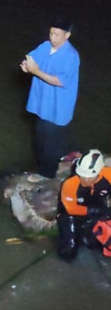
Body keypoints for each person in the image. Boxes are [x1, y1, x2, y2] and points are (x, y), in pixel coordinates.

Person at [20, 17, 80, 178]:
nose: (52, 37)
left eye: (57, 34)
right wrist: (26, 65)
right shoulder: (45, 47)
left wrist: (36, 71)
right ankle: (41, 167)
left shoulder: (71, 56)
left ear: (67, 35)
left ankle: (47, 175)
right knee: (40, 138)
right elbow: (32, 58)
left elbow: (60, 81)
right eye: (51, 33)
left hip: (57, 108)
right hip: (42, 104)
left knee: (50, 146)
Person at [57, 149, 111, 260]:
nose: (84, 179)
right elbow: (71, 209)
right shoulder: (70, 184)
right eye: (82, 175)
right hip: (71, 214)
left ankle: (87, 234)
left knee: (97, 244)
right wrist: (95, 211)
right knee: (68, 252)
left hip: (97, 206)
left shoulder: (108, 175)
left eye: (88, 177)